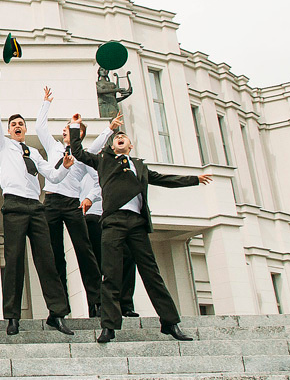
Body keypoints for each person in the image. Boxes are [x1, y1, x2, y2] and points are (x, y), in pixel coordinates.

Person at [68, 115, 213, 343]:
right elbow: (77, 152)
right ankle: (109, 327)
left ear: (130, 145)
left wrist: (194, 179)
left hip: (136, 224)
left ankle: (170, 323)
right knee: (111, 274)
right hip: (113, 222)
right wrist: (75, 127)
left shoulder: (140, 166)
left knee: (151, 273)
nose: (120, 138)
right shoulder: (103, 161)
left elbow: (164, 179)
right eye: (117, 137)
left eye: (124, 137)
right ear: (112, 145)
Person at [0, 65, 75, 336]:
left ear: (25, 130)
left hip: (36, 207)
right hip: (14, 206)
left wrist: (66, 166)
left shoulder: (34, 152)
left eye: (20, 125)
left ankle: (56, 314)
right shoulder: (2, 145)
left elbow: (53, 176)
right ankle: (12, 316)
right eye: (13, 124)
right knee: (13, 260)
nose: (16, 127)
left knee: (47, 260)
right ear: (9, 129)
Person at [36, 88, 118, 317]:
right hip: (50, 203)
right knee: (55, 254)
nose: (65, 132)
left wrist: (90, 197)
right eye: (64, 130)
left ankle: (97, 302)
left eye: (70, 130)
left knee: (85, 252)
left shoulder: (83, 155)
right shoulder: (53, 148)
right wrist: (46, 103)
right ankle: (60, 307)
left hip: (72, 204)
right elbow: (39, 129)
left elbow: (99, 176)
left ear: (78, 134)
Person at [80, 161, 139, 317]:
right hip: (92, 216)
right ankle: (97, 305)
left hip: (115, 218)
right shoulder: (85, 167)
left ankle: (125, 304)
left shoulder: (117, 170)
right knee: (96, 264)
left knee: (127, 257)